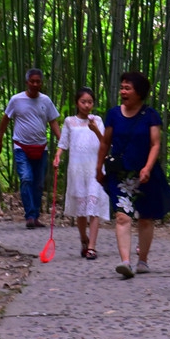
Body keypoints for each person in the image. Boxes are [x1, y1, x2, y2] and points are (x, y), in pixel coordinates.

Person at [97, 70, 170, 279]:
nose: (123, 91)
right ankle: (125, 261)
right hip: (120, 173)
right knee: (122, 216)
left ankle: (143, 260)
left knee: (146, 219)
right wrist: (98, 168)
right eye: (122, 87)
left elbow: (155, 144)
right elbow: (105, 142)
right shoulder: (113, 114)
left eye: (127, 88)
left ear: (139, 92)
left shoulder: (150, 115)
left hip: (144, 173)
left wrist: (148, 167)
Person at [0, 69, 61, 229]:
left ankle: (35, 216)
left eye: (38, 81)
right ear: (27, 82)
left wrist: (62, 141)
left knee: (38, 184)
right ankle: (30, 215)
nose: (35, 84)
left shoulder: (46, 100)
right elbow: (5, 119)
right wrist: (0, 140)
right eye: (32, 81)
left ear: (41, 83)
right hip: (21, 146)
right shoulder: (16, 100)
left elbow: (53, 121)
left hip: (41, 146)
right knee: (26, 178)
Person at [54, 87, 110, 259]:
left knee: (93, 205)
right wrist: (57, 156)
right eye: (83, 102)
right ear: (77, 103)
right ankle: (83, 239)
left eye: (90, 102)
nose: (87, 105)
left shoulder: (97, 120)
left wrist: (96, 130)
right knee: (81, 208)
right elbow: (63, 143)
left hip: (95, 167)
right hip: (77, 168)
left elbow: (105, 143)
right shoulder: (70, 121)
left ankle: (92, 246)